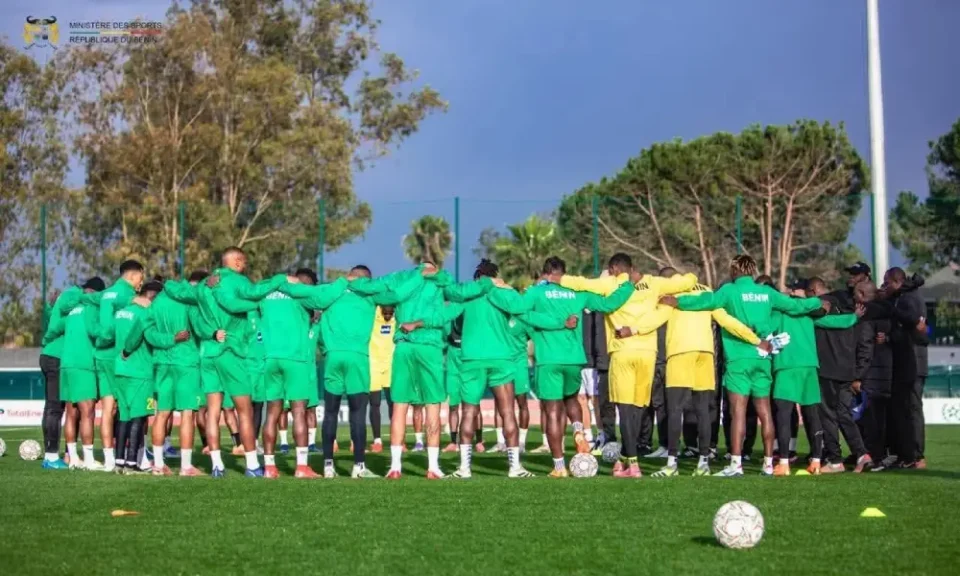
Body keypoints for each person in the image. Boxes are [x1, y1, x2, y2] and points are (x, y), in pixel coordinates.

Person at [661, 255, 827, 477]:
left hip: (739, 358)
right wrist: (817, 302)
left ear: (734, 270)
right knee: (765, 411)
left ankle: (736, 465)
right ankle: (768, 464)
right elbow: (795, 306)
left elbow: (706, 301)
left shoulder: (729, 290)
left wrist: (678, 301)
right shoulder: (767, 293)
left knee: (738, 411)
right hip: (763, 357)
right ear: (752, 270)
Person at [494, 256, 635, 477]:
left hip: (549, 359)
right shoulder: (577, 293)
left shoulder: (536, 292)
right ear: (564, 272)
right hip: (574, 359)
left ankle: (559, 467)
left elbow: (517, 309)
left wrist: (498, 291)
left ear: (546, 272)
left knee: (551, 411)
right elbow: (609, 304)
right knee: (571, 399)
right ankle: (579, 430)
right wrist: (628, 286)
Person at [559, 253, 697, 478]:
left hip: (623, 352)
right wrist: (691, 277)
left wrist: (555, 279)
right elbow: (686, 281)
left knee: (623, 409)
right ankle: (625, 459)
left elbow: (580, 283)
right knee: (637, 409)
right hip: (647, 353)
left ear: (614, 268)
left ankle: (632, 465)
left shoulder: (613, 283)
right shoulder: (654, 283)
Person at [282, 264, 425, 479]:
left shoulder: (331, 291)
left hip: (333, 357)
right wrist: (419, 274)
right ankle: (358, 466)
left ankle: (328, 466)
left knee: (330, 413)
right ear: (366, 280)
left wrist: (280, 282)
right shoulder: (369, 293)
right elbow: (398, 293)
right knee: (358, 415)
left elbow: (303, 295)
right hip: (357, 358)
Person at [425, 259, 535, 478]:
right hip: (501, 360)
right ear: (495, 277)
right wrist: (506, 287)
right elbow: (522, 306)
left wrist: (419, 322)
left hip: (471, 360)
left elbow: (444, 315)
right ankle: (515, 468)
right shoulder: (502, 294)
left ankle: (464, 468)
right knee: (507, 412)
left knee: (468, 412)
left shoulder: (468, 296)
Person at [652, 269, 763, 478]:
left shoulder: (671, 295)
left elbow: (655, 319)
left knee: (675, 409)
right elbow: (728, 321)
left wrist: (634, 330)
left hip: (680, 352)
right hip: (705, 354)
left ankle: (671, 464)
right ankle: (703, 463)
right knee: (703, 409)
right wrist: (756, 339)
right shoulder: (707, 292)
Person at [197, 247, 288, 478]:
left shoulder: (205, 284)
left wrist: (210, 332)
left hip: (208, 353)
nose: (245, 266)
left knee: (213, 411)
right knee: (244, 410)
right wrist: (278, 280)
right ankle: (252, 465)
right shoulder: (236, 281)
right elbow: (254, 293)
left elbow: (196, 319)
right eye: (244, 261)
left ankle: (217, 465)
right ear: (236, 262)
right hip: (230, 352)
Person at [256, 267, 344, 479]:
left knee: (272, 414)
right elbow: (325, 298)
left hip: (270, 358)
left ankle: (269, 467)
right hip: (294, 359)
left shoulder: (265, 292)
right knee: (298, 412)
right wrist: (343, 281)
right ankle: (301, 467)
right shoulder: (300, 293)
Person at [771, 280, 858, 476]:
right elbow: (835, 322)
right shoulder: (810, 313)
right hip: (809, 365)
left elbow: (762, 326)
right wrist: (854, 317)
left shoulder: (779, 312)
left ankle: (783, 463)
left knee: (784, 414)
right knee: (812, 413)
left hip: (787, 365)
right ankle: (816, 462)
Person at [149, 271, 221, 476]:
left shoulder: (158, 301)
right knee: (187, 414)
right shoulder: (189, 300)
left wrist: (169, 339)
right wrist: (214, 333)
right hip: (186, 362)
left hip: (162, 362)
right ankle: (186, 466)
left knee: (161, 414)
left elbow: (150, 333)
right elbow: (199, 328)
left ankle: (158, 464)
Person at [115, 280, 186, 474]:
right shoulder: (146, 313)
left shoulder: (122, 312)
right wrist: (174, 338)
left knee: (124, 416)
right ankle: (132, 463)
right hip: (140, 372)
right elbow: (151, 337)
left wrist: (124, 353)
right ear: (153, 297)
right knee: (139, 417)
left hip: (120, 370)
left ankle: (119, 461)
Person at [38, 277, 105, 469]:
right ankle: (52, 455)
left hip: (58, 357)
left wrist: (47, 338)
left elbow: (56, 323)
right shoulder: (78, 298)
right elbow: (91, 328)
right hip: (61, 357)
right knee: (63, 409)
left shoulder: (69, 302)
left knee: (67, 409)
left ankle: (69, 456)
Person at [806, 277, 871, 473]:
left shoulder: (818, 308)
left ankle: (835, 460)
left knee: (827, 414)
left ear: (814, 289)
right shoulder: (851, 308)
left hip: (827, 369)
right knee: (844, 413)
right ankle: (861, 453)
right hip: (847, 370)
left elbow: (820, 320)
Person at [91, 260, 145, 472]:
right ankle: (132, 458)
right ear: (132, 276)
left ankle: (110, 460)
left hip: (100, 355)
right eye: (141, 276)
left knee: (107, 409)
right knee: (124, 408)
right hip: (115, 355)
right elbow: (111, 329)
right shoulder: (126, 295)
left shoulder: (107, 293)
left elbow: (90, 301)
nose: (142, 281)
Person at [882, 267, 929, 469]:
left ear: (896, 282)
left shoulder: (909, 298)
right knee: (905, 408)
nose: (884, 286)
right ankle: (907, 454)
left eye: (886, 283)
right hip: (909, 361)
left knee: (912, 408)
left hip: (914, 362)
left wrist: (890, 337)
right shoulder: (906, 296)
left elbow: (915, 326)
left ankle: (916, 456)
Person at [853, 280, 893, 470]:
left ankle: (873, 458)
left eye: (855, 294)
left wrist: (858, 376)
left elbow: (865, 349)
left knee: (871, 419)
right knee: (880, 419)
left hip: (871, 375)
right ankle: (879, 455)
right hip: (885, 374)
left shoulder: (866, 318)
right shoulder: (887, 315)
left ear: (861, 295)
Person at [369, 305, 397, 453]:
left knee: (394, 403)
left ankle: (397, 439)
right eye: (385, 312)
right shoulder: (374, 315)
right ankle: (377, 441)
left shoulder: (396, 317)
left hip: (390, 365)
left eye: (390, 312)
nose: (388, 315)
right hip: (373, 365)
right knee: (375, 403)